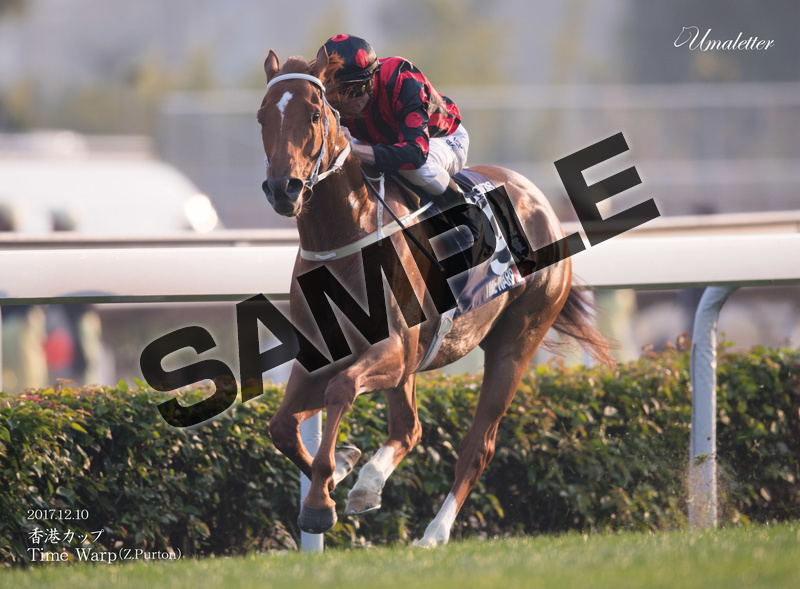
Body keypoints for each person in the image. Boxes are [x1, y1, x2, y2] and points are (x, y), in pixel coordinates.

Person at [322, 34, 469, 203]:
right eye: (335, 93)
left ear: (368, 83)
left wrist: (355, 150)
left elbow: (415, 154)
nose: (342, 102)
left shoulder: (402, 80)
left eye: (349, 92)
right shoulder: (330, 97)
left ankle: (466, 210)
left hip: (440, 139)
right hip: (381, 142)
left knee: (415, 170)